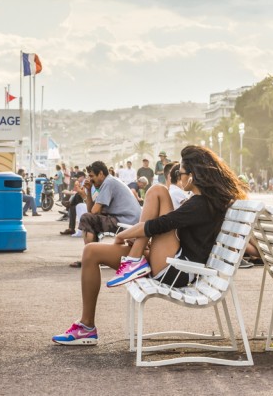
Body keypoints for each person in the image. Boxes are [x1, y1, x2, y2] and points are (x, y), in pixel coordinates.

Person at [52, 145, 247, 345]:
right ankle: (86, 327)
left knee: (157, 191)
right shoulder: (199, 202)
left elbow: (160, 225)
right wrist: (141, 243)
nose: (178, 179)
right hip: (170, 260)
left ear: (192, 176)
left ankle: (134, 260)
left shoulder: (201, 204)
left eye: (180, 174)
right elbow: (165, 229)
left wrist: (122, 237)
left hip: (178, 268)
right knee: (91, 251)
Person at [69, 161, 141, 267]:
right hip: (125, 220)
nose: (90, 179)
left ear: (101, 174)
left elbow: (93, 212)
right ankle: (93, 256)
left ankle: (90, 257)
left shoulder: (109, 183)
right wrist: (87, 192)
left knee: (86, 218)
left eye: (92, 176)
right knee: (90, 219)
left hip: (125, 221)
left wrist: (85, 195)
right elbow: (92, 210)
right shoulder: (108, 182)